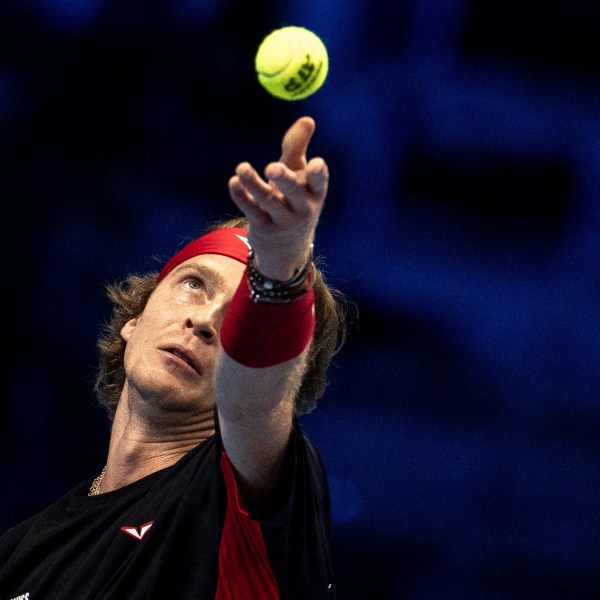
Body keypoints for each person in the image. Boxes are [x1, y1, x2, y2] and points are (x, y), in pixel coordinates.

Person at [0, 116, 348, 599]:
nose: (204, 321)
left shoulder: (243, 499)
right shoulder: (21, 551)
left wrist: (281, 266)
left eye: (239, 317)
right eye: (193, 285)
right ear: (135, 318)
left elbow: (253, 401)